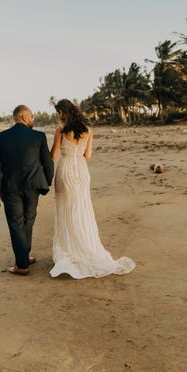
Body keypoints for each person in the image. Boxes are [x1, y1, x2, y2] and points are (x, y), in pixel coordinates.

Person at [49, 99, 135, 279]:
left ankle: (69, 250)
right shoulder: (88, 131)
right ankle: (86, 247)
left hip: (65, 171)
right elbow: (87, 155)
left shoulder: (61, 131)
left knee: (66, 210)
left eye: (59, 112)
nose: (59, 116)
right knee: (81, 210)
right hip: (81, 172)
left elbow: (53, 155)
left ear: (64, 112)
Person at [0, 105, 54, 275]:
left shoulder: (2, 137)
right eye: (32, 116)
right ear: (25, 117)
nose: (33, 119)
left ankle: (22, 263)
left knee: (16, 223)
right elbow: (48, 162)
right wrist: (46, 183)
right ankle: (24, 257)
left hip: (10, 188)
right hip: (33, 186)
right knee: (28, 220)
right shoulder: (38, 136)